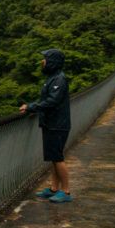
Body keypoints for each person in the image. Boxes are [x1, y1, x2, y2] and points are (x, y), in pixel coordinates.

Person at [20, 48, 72, 203]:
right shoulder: (52, 78)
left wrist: (30, 107)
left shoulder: (59, 79)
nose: (42, 62)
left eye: (45, 59)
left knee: (58, 158)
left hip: (57, 124)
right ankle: (54, 188)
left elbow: (52, 101)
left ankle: (66, 191)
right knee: (54, 158)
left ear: (53, 62)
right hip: (51, 123)